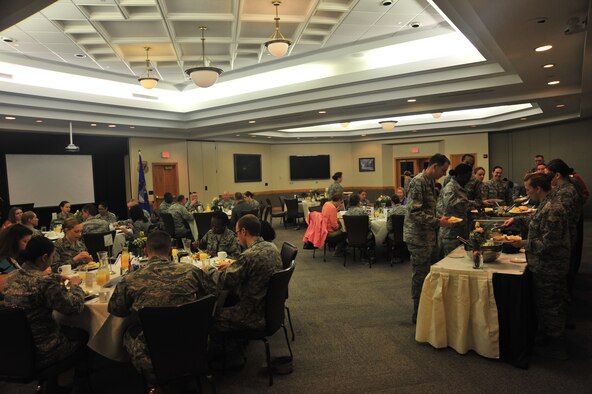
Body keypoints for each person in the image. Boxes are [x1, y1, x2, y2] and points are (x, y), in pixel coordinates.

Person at [108, 231, 215, 380]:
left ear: (145, 251)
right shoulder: (191, 271)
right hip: (195, 345)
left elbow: (116, 310)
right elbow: (211, 293)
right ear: (171, 251)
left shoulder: (130, 279)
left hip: (152, 354)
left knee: (127, 330)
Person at [504, 172, 570, 359]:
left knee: (552, 305)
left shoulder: (553, 208)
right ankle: (549, 336)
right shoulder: (546, 204)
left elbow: (549, 243)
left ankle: (558, 346)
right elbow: (537, 220)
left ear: (538, 188)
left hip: (551, 266)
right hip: (544, 264)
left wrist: (522, 244)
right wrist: (517, 220)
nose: (527, 193)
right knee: (544, 303)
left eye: (528, 189)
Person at [3, 236, 88, 372]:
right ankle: (81, 382)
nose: (52, 259)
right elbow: (74, 307)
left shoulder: (11, 277)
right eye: (52, 256)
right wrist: (75, 286)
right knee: (82, 332)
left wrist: (55, 277)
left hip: (15, 349)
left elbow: (32, 278)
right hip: (45, 350)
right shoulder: (44, 282)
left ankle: (51, 384)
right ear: (44, 257)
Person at [206, 215, 282, 332]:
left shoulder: (249, 256)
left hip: (251, 315)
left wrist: (208, 269)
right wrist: (235, 264)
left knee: (208, 315)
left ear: (243, 231)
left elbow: (224, 281)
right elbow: (251, 267)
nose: (237, 238)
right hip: (269, 309)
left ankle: (220, 348)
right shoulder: (272, 247)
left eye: (237, 233)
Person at [403, 153, 452, 323]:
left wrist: (440, 217)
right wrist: (438, 221)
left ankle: (426, 310)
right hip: (418, 237)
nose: (444, 174)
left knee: (429, 274)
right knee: (420, 274)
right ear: (434, 166)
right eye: (443, 170)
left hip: (428, 235)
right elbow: (414, 212)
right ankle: (418, 315)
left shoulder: (430, 181)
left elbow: (428, 208)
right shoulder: (418, 181)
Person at [545, 159, 583, 297]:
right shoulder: (564, 188)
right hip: (565, 235)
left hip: (565, 237)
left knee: (561, 277)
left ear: (557, 175)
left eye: (549, 174)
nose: (547, 177)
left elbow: (559, 218)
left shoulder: (566, 192)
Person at [436, 163, 473, 257]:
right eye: (468, 177)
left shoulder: (460, 187)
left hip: (459, 232)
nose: (469, 179)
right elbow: (450, 204)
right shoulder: (450, 187)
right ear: (460, 175)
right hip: (450, 233)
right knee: (451, 261)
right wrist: (470, 204)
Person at [0, 224, 33, 294]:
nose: (28, 245)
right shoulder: (3, 262)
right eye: (25, 241)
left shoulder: (15, 256)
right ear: (13, 242)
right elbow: (20, 282)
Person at [344, 194, 375, 261]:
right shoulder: (363, 212)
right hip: (364, 237)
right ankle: (370, 256)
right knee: (372, 235)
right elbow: (369, 225)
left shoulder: (346, 214)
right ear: (358, 202)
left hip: (350, 237)